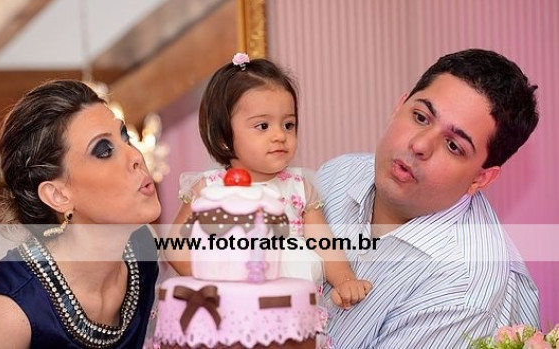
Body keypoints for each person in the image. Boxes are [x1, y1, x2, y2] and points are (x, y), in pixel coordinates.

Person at [317, 49, 540, 348]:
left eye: (453, 146)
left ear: (480, 178)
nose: (420, 145)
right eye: (420, 117)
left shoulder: (464, 288)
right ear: (399, 106)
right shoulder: (338, 174)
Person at [166, 53, 371, 310]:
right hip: (229, 310)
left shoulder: (299, 188)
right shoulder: (209, 189)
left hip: (292, 313)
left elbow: (325, 245)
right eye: (263, 126)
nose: (280, 136)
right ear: (223, 138)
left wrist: (345, 280)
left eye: (288, 125)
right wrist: (212, 280)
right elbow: (176, 247)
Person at [0, 80, 161, 348]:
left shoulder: (144, 245)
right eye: (104, 150)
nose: (136, 156)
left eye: (125, 137)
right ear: (58, 195)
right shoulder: (8, 311)